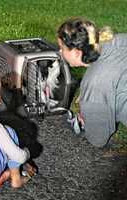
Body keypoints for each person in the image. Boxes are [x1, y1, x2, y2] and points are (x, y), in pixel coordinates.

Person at [57, 17, 127, 147]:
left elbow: (98, 139)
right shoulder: (119, 39)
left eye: (62, 48)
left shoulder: (95, 85)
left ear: (77, 53)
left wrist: (87, 116)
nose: (60, 52)